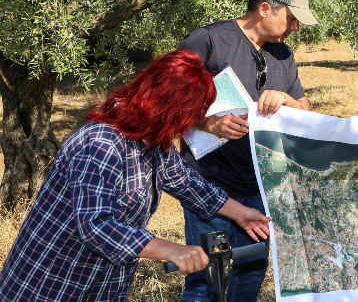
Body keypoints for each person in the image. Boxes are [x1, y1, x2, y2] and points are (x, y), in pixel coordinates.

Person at [0, 50, 272, 302]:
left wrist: (240, 214)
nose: (193, 123)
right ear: (167, 109)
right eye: (190, 114)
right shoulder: (101, 144)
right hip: (51, 284)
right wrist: (172, 250)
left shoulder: (153, 141)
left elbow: (187, 183)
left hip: (102, 284)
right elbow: (97, 225)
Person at [178, 0, 317, 302]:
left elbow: (306, 112)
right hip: (208, 186)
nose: (296, 27)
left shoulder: (283, 53)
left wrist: (288, 101)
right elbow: (166, 101)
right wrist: (209, 123)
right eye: (292, 19)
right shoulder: (207, 41)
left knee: (251, 276)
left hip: (260, 188)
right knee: (204, 280)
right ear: (266, 9)